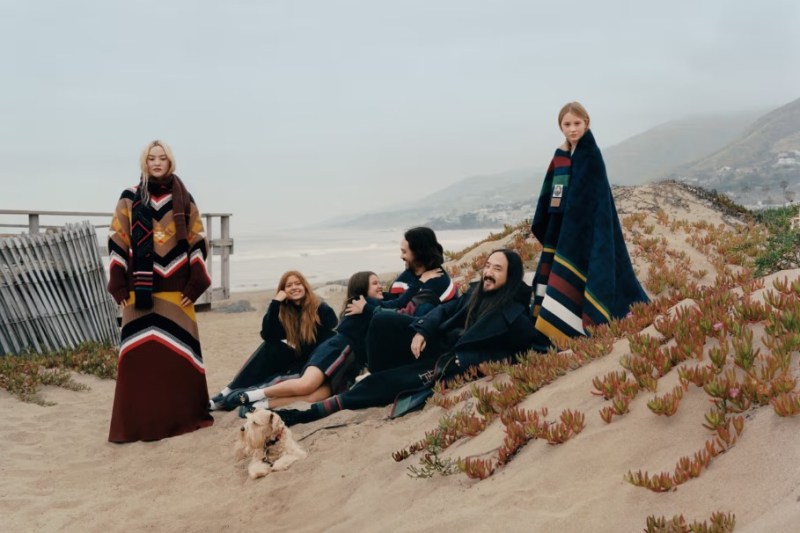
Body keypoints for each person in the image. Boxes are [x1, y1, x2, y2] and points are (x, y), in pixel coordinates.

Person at [274, 249, 538, 426]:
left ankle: (308, 415)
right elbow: (445, 310)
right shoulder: (476, 293)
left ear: (510, 276)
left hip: (447, 363)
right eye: (488, 266)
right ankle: (378, 372)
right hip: (435, 343)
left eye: (497, 269)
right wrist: (422, 331)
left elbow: (535, 346)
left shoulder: (513, 316)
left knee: (382, 384)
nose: (488, 272)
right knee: (382, 319)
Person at [107, 140, 213, 443]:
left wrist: (195, 284)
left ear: (170, 162)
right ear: (144, 162)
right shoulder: (129, 197)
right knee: (140, 358)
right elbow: (118, 239)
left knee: (177, 358)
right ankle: (138, 425)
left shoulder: (184, 198)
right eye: (151, 158)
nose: (156, 163)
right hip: (139, 291)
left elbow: (197, 240)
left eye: (162, 158)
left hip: (177, 289)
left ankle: (181, 418)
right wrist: (118, 281)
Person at [530, 102, 648, 347]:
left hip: (589, 230)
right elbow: (552, 193)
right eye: (567, 124)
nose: (572, 129)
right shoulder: (560, 157)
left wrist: (576, 222)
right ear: (560, 126)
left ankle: (591, 322)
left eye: (577, 123)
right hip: (562, 229)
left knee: (593, 272)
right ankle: (560, 329)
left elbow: (596, 199)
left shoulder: (591, 155)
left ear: (587, 123)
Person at [233, 271, 386, 412]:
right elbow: (268, 335)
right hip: (336, 353)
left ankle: (258, 406)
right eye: (375, 283)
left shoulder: (370, 307)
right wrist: (275, 304)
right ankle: (250, 395)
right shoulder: (360, 305)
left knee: (316, 396)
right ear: (362, 287)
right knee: (306, 385)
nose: (380, 286)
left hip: (350, 366)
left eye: (379, 283)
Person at [208, 270, 338, 411]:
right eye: (289, 285)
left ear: (305, 286)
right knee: (271, 346)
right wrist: (275, 303)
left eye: (298, 283)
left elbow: (330, 340)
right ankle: (227, 391)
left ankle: (227, 400)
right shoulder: (286, 311)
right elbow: (269, 335)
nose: (294, 287)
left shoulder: (321, 309)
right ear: (283, 291)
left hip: (313, 363)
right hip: (295, 356)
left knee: (269, 380)